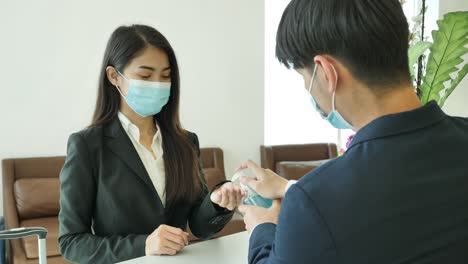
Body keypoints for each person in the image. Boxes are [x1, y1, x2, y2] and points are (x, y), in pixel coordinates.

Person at [238, 0, 468, 263]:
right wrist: (291, 188)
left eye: (304, 77)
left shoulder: (313, 203)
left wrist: (262, 229)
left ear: (326, 72)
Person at [58, 24, 245, 263]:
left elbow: (199, 226)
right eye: (145, 76)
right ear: (114, 76)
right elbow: (71, 242)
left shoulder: (185, 141)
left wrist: (218, 203)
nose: (157, 84)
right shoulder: (87, 145)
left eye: (166, 76)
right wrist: (143, 245)